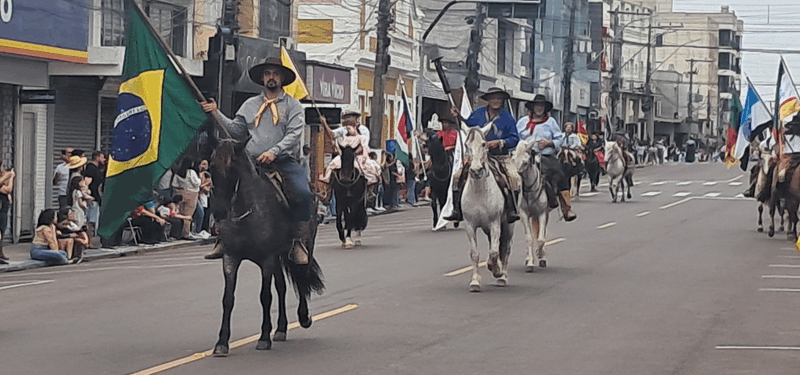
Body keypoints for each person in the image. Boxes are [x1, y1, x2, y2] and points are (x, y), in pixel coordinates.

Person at [201, 56, 314, 264]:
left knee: (303, 193)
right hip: (250, 161)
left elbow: (294, 134)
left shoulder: (293, 106)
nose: (271, 77)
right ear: (263, 78)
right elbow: (235, 130)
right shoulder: (250, 104)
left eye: (275, 74)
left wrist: (274, 151)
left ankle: (298, 241)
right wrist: (216, 112)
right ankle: (223, 237)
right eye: (267, 74)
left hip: (283, 161)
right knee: (226, 187)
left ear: (282, 79)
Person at [444, 87, 521, 223]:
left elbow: (515, 139)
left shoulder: (508, 118)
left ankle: (511, 210)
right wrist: (458, 117)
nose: (496, 101)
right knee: (457, 177)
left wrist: (500, 142)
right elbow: (467, 126)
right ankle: (456, 210)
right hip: (479, 156)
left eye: (498, 98)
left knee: (514, 177)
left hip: (500, 156)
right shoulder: (478, 114)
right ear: (488, 100)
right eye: (493, 98)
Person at [515, 94, 577, 221]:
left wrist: (549, 143)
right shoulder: (522, 122)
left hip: (545, 156)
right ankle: (511, 206)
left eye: (541, 106)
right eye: (537, 105)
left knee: (560, 173)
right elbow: (516, 138)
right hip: (526, 155)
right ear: (532, 107)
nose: (539, 108)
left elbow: (559, 138)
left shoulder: (551, 122)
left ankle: (566, 207)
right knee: (511, 176)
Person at [171, 158, 201, 238]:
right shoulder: (191, 172)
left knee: (180, 213)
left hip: (180, 192)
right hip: (191, 193)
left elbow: (174, 184)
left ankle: (178, 233)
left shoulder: (178, 172)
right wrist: (200, 178)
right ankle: (186, 233)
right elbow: (196, 183)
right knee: (188, 215)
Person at [82, 151, 106, 232]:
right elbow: (86, 183)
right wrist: (87, 196)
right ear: (97, 157)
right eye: (102, 157)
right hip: (92, 198)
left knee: (95, 218)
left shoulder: (97, 169)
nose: (104, 159)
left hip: (96, 198)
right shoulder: (91, 168)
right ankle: (90, 235)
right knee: (91, 220)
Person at [0, 163, 13, 263]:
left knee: (2, 231)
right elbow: (8, 190)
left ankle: (0, 253)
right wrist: (10, 177)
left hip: (3, 208)